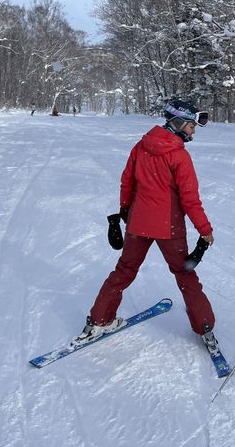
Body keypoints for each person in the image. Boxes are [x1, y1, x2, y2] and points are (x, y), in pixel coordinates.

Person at [75, 99, 219, 351]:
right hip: (169, 229)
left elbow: (126, 182)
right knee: (185, 275)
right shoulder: (179, 157)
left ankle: (98, 320)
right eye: (191, 126)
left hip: (138, 224)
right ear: (177, 124)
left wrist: (125, 211)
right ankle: (204, 327)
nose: (193, 131)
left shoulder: (141, 146)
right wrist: (204, 229)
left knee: (124, 270)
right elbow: (190, 199)